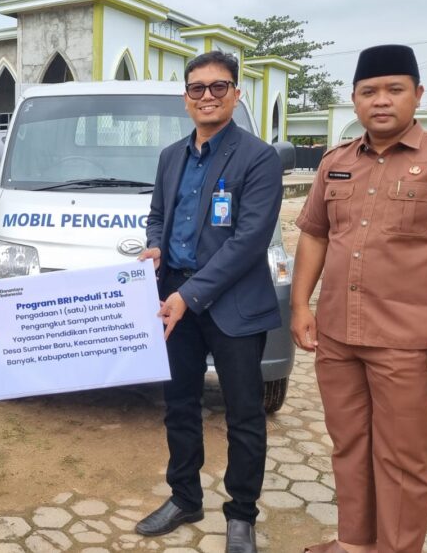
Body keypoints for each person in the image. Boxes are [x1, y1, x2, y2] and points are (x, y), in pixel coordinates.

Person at [292, 44, 427, 553]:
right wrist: (300, 305)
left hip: (408, 343)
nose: (381, 100)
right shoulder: (336, 162)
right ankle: (354, 543)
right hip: (338, 336)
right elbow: (315, 234)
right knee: (349, 444)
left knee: (403, 458)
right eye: (369, 91)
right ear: (355, 99)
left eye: (394, 89)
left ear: (418, 94)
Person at [136, 51, 283, 552]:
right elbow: (158, 215)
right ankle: (185, 497)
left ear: (236, 94)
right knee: (179, 404)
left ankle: (241, 515)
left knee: (243, 414)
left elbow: (249, 241)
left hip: (232, 305)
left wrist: (190, 294)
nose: (207, 96)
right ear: (186, 98)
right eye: (197, 88)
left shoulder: (258, 158)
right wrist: (155, 246)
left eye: (218, 87)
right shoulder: (170, 157)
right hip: (173, 297)